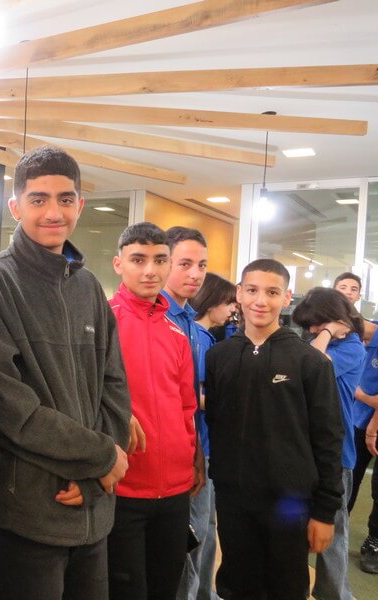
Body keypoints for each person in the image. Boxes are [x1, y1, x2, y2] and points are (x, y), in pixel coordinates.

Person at [0, 146, 131, 600]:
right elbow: (8, 406)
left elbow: (114, 385)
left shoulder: (89, 287)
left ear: (80, 205)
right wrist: (100, 457)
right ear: (16, 207)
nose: (53, 212)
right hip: (26, 510)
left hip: (93, 506)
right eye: (38, 199)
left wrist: (98, 470)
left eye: (65, 198)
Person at [205, 259, 344, 600]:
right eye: (252, 290)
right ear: (239, 294)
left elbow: (328, 439)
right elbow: (216, 422)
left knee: (286, 586)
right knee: (237, 584)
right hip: (234, 499)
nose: (260, 301)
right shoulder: (218, 356)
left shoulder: (310, 362)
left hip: (289, 502)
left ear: (287, 297)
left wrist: (325, 512)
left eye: (272, 292)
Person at [106, 222, 197, 600]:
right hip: (122, 486)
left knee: (165, 589)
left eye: (160, 260)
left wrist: (192, 461)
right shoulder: (102, 321)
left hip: (175, 490)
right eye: (138, 259)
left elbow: (187, 407)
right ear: (119, 264)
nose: (150, 270)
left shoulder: (177, 334)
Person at [293, 286, 365, 600]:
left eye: (316, 323)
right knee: (295, 529)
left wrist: (326, 331)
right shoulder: (317, 341)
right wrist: (324, 331)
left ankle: (335, 595)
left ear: (334, 318)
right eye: (309, 325)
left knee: (333, 532)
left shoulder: (352, 347)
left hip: (337, 454)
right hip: (303, 451)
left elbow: (313, 364)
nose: (311, 330)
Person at [161, 227, 217, 600]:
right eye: (185, 264)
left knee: (200, 535)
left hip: (197, 448)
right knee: (181, 545)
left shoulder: (191, 324)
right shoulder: (158, 318)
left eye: (202, 265)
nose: (195, 274)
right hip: (168, 456)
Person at [179, 271, 237, 600]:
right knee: (197, 527)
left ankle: (203, 591)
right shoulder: (197, 337)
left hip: (208, 445)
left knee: (208, 526)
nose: (232, 310)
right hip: (197, 445)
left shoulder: (206, 337)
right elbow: (192, 395)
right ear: (213, 301)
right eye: (229, 303)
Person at [333, 272, 378, 574]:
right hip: (350, 422)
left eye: (353, 289)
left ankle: (374, 541)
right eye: (342, 287)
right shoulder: (333, 336)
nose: (348, 292)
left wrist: (362, 396)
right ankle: (335, 528)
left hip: (369, 422)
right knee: (346, 478)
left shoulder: (365, 331)